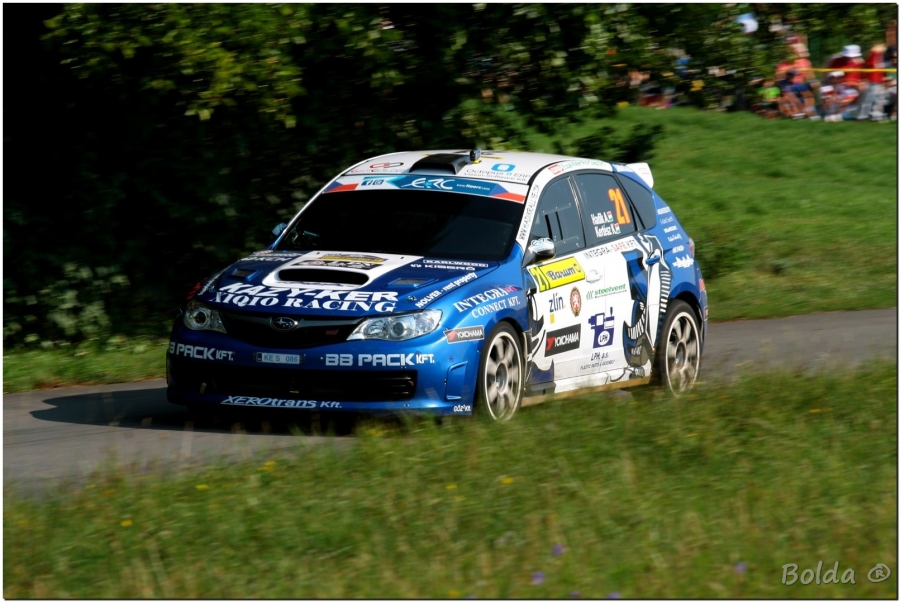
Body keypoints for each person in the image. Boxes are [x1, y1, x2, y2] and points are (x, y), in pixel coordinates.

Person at [859, 44, 889, 120]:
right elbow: (869, 63)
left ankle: (876, 115)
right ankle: (863, 115)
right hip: (873, 80)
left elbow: (882, 68)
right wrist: (874, 50)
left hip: (879, 80)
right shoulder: (873, 56)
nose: (883, 50)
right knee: (869, 98)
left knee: (879, 98)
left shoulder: (880, 56)